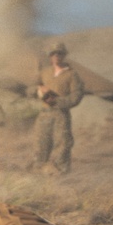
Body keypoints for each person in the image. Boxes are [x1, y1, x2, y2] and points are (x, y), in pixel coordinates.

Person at [30, 41, 84, 174]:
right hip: (44, 114)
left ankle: (62, 178)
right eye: (53, 53)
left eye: (59, 53)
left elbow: (76, 97)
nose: (56, 56)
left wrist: (56, 101)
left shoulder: (72, 75)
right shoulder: (45, 72)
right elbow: (31, 89)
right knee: (40, 146)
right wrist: (39, 91)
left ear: (64, 55)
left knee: (63, 147)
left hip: (61, 115)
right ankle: (39, 177)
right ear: (50, 56)